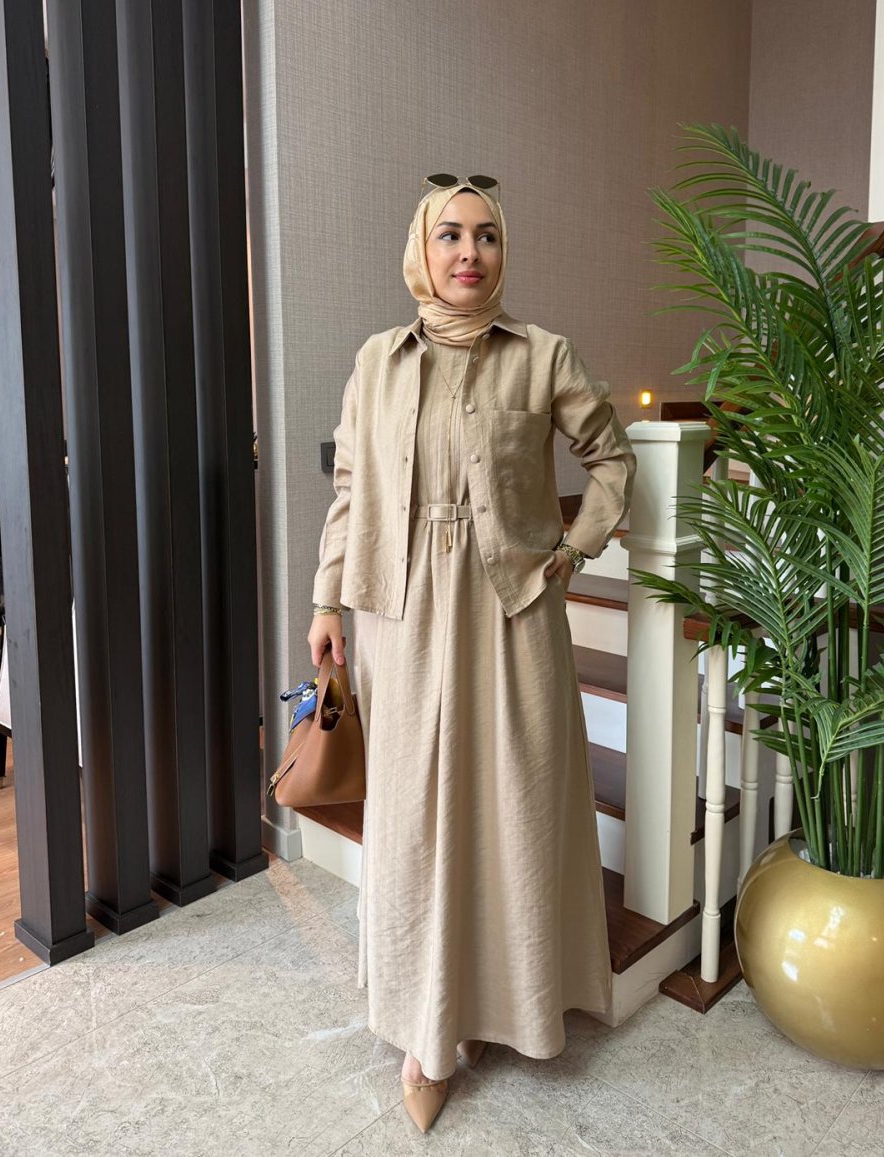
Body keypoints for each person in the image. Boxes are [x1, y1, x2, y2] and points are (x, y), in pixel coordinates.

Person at [308, 174, 636, 1133]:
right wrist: (325, 597)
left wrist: (574, 550)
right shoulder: (377, 361)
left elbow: (612, 460)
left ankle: (510, 1002)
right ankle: (426, 1030)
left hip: (511, 604)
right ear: (422, 247)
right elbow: (349, 487)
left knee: (515, 805)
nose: (469, 252)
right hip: (401, 609)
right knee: (414, 815)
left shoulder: (542, 356)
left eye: (486, 235)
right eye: (450, 233)